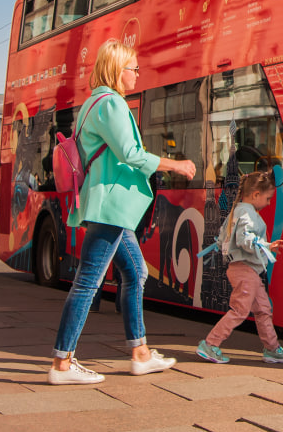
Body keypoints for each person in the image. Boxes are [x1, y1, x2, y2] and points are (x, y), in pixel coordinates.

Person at [47, 39, 197, 385]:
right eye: (133, 68)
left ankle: (140, 353)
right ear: (118, 70)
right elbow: (131, 153)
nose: (137, 74)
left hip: (109, 206)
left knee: (136, 272)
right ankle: (62, 363)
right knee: (88, 281)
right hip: (110, 205)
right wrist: (175, 164)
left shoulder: (92, 103)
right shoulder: (112, 104)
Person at [196, 170, 283, 364]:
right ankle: (210, 344)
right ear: (256, 194)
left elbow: (224, 237)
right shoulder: (247, 213)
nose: (268, 203)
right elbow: (244, 238)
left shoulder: (239, 210)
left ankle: (272, 348)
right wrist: (266, 245)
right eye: (267, 198)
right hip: (245, 270)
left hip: (248, 271)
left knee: (263, 309)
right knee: (240, 310)